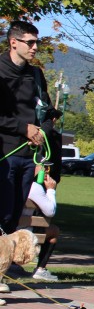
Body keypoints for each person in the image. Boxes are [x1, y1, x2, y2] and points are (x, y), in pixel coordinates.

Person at [1, 21, 55, 236]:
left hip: (28, 157)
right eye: (30, 42)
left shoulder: (36, 75)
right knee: (3, 214)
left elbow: (48, 113)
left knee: (13, 217)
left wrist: (42, 131)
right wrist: (24, 128)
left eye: (36, 42)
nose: (35, 47)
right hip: (5, 154)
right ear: (13, 42)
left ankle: (7, 256)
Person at [17, 163, 60, 281]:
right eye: (44, 167)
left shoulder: (10, 181)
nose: (46, 170)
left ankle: (13, 265)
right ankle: (40, 269)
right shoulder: (34, 187)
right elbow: (50, 211)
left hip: (6, 231)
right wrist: (51, 190)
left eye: (48, 168)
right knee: (54, 230)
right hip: (21, 233)